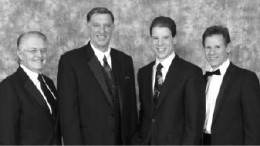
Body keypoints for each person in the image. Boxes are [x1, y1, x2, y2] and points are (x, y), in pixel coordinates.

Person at [57, 7, 138, 145]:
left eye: (107, 25)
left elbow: (131, 111)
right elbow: (68, 116)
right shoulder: (70, 61)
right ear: (88, 27)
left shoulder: (125, 60)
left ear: (113, 27)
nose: (102, 31)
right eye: (96, 25)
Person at [131, 16, 205, 145]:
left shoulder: (191, 73)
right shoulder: (143, 73)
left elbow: (194, 124)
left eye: (166, 38)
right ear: (151, 40)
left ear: (174, 39)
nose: (160, 43)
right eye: (156, 38)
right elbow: (145, 114)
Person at [202, 25, 260, 145]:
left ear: (228, 48)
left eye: (217, 47)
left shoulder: (245, 79)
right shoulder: (200, 80)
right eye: (208, 47)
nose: (211, 52)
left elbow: (254, 129)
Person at [0, 31, 60, 145]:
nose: (39, 55)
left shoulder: (48, 83)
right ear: (20, 54)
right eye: (33, 50)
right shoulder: (8, 87)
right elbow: (7, 137)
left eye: (43, 50)